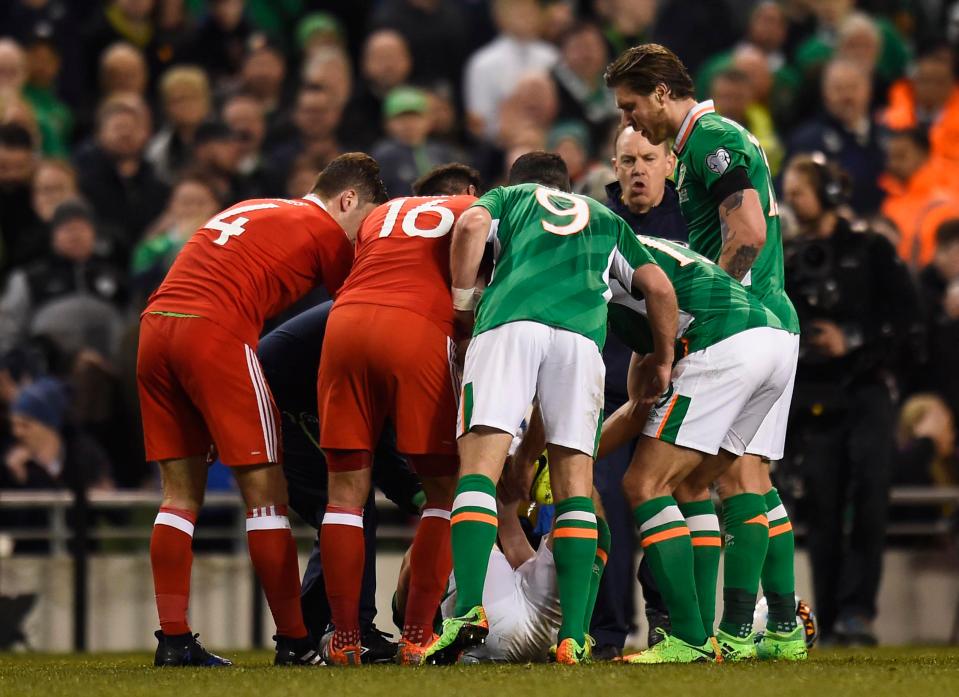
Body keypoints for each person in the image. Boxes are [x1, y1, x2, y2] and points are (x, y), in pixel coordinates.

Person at [425, 152, 679, 666]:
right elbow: (658, 287)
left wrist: (459, 305)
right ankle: (575, 637)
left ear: (519, 183)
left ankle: (468, 612)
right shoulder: (606, 218)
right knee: (574, 486)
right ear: (566, 186)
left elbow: (472, 223)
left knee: (478, 468)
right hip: (581, 340)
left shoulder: (509, 199)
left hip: (510, 322)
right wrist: (663, 358)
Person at [136, 152, 388, 668]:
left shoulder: (257, 206)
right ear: (347, 200)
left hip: (155, 327)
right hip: (216, 333)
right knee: (266, 498)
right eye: (363, 222)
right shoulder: (323, 230)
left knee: (179, 496)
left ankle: (174, 640)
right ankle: (295, 642)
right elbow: (363, 301)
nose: (360, 239)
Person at [605, 42, 804, 661]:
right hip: (771, 321)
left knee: (686, 480)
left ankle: (724, 634)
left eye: (634, 108)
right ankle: (773, 629)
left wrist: (710, 311)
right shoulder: (706, 144)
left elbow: (747, 232)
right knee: (745, 481)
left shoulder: (711, 139)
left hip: (744, 318)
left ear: (662, 93)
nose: (633, 121)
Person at [316, 163, 481, 666]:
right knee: (445, 490)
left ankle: (345, 640)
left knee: (345, 493)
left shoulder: (383, 212)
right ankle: (416, 634)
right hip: (417, 329)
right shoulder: (473, 209)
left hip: (343, 324)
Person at [780, 153, 920, 646]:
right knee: (820, 502)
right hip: (813, 392)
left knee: (869, 498)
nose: (792, 201)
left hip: (866, 391)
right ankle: (833, 612)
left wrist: (852, 338)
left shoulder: (874, 249)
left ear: (830, 194)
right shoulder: (789, 255)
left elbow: (906, 320)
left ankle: (858, 611)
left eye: (799, 191)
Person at [257, 300, 423, 664]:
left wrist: (419, 495)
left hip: (289, 393)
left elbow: (378, 439)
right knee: (350, 501)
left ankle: (307, 633)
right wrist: (423, 496)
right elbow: (379, 445)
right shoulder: (397, 328)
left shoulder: (382, 316)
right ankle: (349, 631)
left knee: (344, 506)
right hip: (278, 400)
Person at [589, 125, 687, 658]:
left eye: (648, 158)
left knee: (660, 503)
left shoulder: (693, 219)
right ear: (614, 163)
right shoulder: (595, 222)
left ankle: (667, 624)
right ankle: (605, 633)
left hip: (674, 387)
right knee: (600, 503)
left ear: (670, 163)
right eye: (627, 160)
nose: (637, 170)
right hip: (602, 390)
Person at [787, 58, 886, 215]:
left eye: (853, 88)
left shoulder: (887, 136)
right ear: (825, 93)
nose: (847, 96)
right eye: (838, 89)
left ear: (868, 90)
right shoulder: (808, 140)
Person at [879, 129, 959, 268]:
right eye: (890, 157)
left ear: (924, 154)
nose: (893, 164)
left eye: (901, 156)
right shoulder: (891, 202)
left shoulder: (949, 191)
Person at [371, 86, 461, 197]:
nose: (409, 124)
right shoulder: (383, 156)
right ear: (387, 123)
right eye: (401, 118)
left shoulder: (443, 152)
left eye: (415, 117)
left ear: (428, 120)